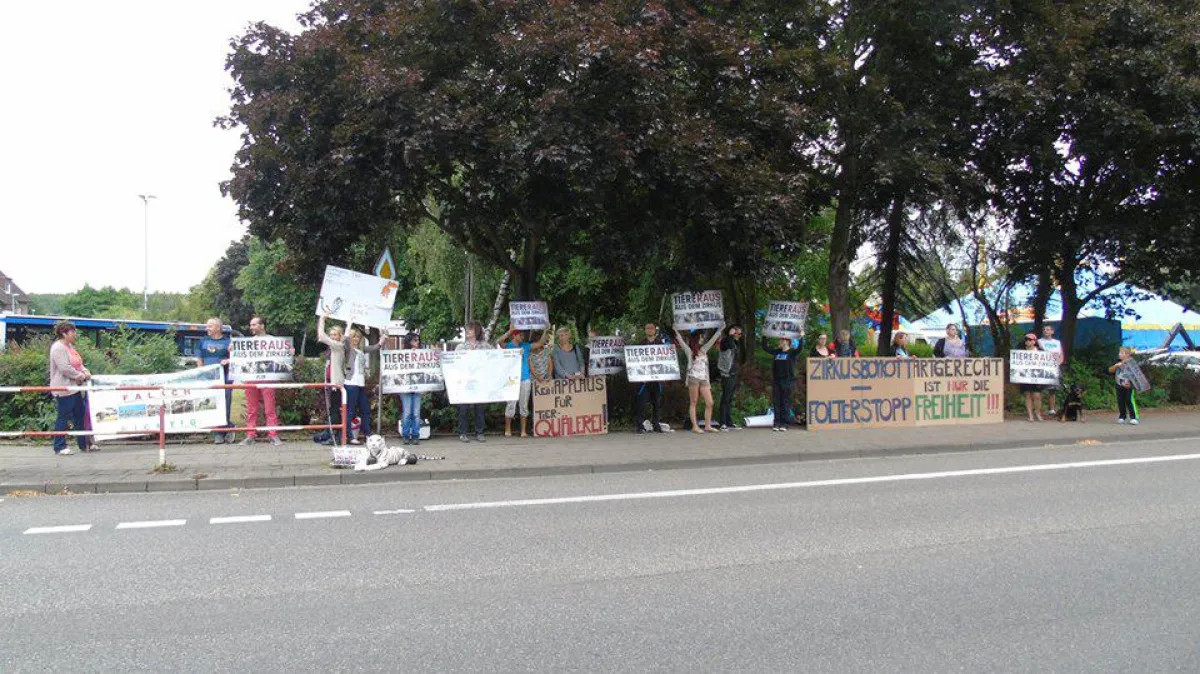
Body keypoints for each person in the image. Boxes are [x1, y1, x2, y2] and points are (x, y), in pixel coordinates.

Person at [48, 321, 92, 455]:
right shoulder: (58, 348)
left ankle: (84, 444)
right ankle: (59, 446)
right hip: (64, 388)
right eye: (72, 332)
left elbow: (78, 363)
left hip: (75, 388)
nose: (75, 335)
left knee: (80, 416)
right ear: (64, 333)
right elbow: (65, 368)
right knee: (63, 417)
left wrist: (85, 371)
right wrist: (81, 376)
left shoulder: (70, 346)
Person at [672, 322, 724, 434]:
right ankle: (695, 426)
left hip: (704, 378)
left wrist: (720, 329)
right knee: (694, 402)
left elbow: (712, 340)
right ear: (696, 339)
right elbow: (680, 340)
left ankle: (707, 425)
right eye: (700, 337)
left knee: (710, 402)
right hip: (693, 378)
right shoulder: (689, 351)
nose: (702, 338)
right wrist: (675, 330)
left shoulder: (704, 350)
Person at [241, 315, 285, 447]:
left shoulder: (272, 340)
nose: (251, 327)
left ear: (262, 326)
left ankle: (273, 435)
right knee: (251, 409)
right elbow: (241, 359)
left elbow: (282, 356)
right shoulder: (247, 343)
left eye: (254, 325)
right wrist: (234, 351)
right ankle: (250, 435)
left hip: (267, 377)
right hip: (251, 377)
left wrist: (289, 352)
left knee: (270, 408)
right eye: (251, 325)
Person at [502, 326, 549, 437]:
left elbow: (540, 343)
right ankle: (507, 429)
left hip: (525, 379)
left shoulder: (526, 346)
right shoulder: (508, 346)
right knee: (511, 404)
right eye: (520, 335)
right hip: (511, 379)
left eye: (523, 335)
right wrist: (509, 331)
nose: (523, 337)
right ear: (514, 336)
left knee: (524, 405)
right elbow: (499, 341)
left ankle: (523, 431)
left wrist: (546, 330)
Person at [456, 321, 493, 442]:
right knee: (463, 409)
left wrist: (514, 354)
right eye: (467, 329)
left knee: (479, 408)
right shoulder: (460, 347)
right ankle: (463, 433)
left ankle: (480, 432)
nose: (467, 331)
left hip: (479, 382)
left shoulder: (485, 346)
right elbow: (454, 363)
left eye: (470, 329)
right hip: (465, 382)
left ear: (476, 331)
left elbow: (497, 356)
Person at [317, 314, 351, 445]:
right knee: (333, 409)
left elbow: (321, 335)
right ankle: (335, 435)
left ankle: (336, 437)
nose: (332, 337)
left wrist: (322, 319)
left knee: (334, 410)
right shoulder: (335, 347)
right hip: (332, 381)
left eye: (335, 334)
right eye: (331, 335)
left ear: (340, 336)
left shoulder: (337, 346)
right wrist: (349, 324)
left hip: (335, 383)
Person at [344, 325, 381, 444]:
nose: (356, 339)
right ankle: (350, 436)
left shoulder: (361, 350)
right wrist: (348, 325)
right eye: (354, 337)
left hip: (360, 384)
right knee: (350, 411)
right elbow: (344, 340)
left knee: (365, 409)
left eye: (358, 337)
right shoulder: (349, 350)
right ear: (350, 338)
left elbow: (375, 347)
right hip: (351, 384)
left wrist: (383, 338)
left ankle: (367, 433)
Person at [200, 317, 234, 444]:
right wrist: (200, 373)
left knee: (225, 404)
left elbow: (236, 358)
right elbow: (199, 359)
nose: (207, 328)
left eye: (210, 326)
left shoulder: (228, 342)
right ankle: (225, 428)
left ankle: (221, 433)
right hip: (209, 378)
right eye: (207, 326)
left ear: (218, 328)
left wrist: (229, 360)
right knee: (212, 404)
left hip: (225, 378)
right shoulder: (203, 341)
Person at [634, 323, 670, 434]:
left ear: (655, 330)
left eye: (651, 328)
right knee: (641, 402)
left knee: (657, 403)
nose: (649, 330)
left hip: (657, 379)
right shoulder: (641, 344)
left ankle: (656, 424)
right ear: (645, 330)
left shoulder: (660, 344)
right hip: (644, 380)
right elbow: (636, 361)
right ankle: (639, 426)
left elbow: (666, 359)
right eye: (647, 328)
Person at [398, 333, 424, 446]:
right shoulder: (401, 354)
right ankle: (405, 435)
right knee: (408, 412)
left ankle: (415, 435)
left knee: (416, 413)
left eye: (418, 340)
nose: (417, 343)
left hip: (418, 386)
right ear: (409, 342)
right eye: (414, 341)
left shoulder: (422, 354)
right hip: (405, 386)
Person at [716, 324, 743, 430]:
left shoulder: (734, 342)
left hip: (733, 373)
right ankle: (722, 422)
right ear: (732, 332)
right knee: (725, 398)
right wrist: (731, 335)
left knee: (730, 399)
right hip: (726, 374)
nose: (740, 336)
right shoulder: (725, 341)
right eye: (738, 333)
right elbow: (730, 346)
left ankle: (729, 421)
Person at [1108, 346, 1140, 425]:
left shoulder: (1132, 363)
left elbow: (1137, 376)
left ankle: (1133, 417)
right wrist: (1116, 366)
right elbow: (1110, 370)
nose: (1120, 354)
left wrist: (1131, 384)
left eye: (1122, 353)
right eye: (1120, 353)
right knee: (1120, 401)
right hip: (1119, 385)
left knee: (1129, 400)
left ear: (1128, 354)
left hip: (1129, 386)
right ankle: (1122, 416)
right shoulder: (1118, 362)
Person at [1038, 325, 1064, 416]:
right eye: (1044, 329)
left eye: (1048, 329)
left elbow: (1061, 356)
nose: (1045, 331)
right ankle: (1038, 410)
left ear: (1052, 331)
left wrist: (1057, 365)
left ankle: (1052, 409)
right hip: (1042, 368)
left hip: (1054, 368)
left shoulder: (1057, 342)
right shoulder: (1039, 341)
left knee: (1052, 390)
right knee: (1039, 389)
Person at [1018, 333, 1045, 422]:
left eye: (1030, 339)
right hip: (1025, 376)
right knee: (1027, 395)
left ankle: (1037, 413)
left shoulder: (1040, 351)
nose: (1028, 341)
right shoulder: (1021, 351)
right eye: (1026, 339)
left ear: (1034, 341)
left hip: (1038, 376)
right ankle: (1030, 415)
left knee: (1037, 396)